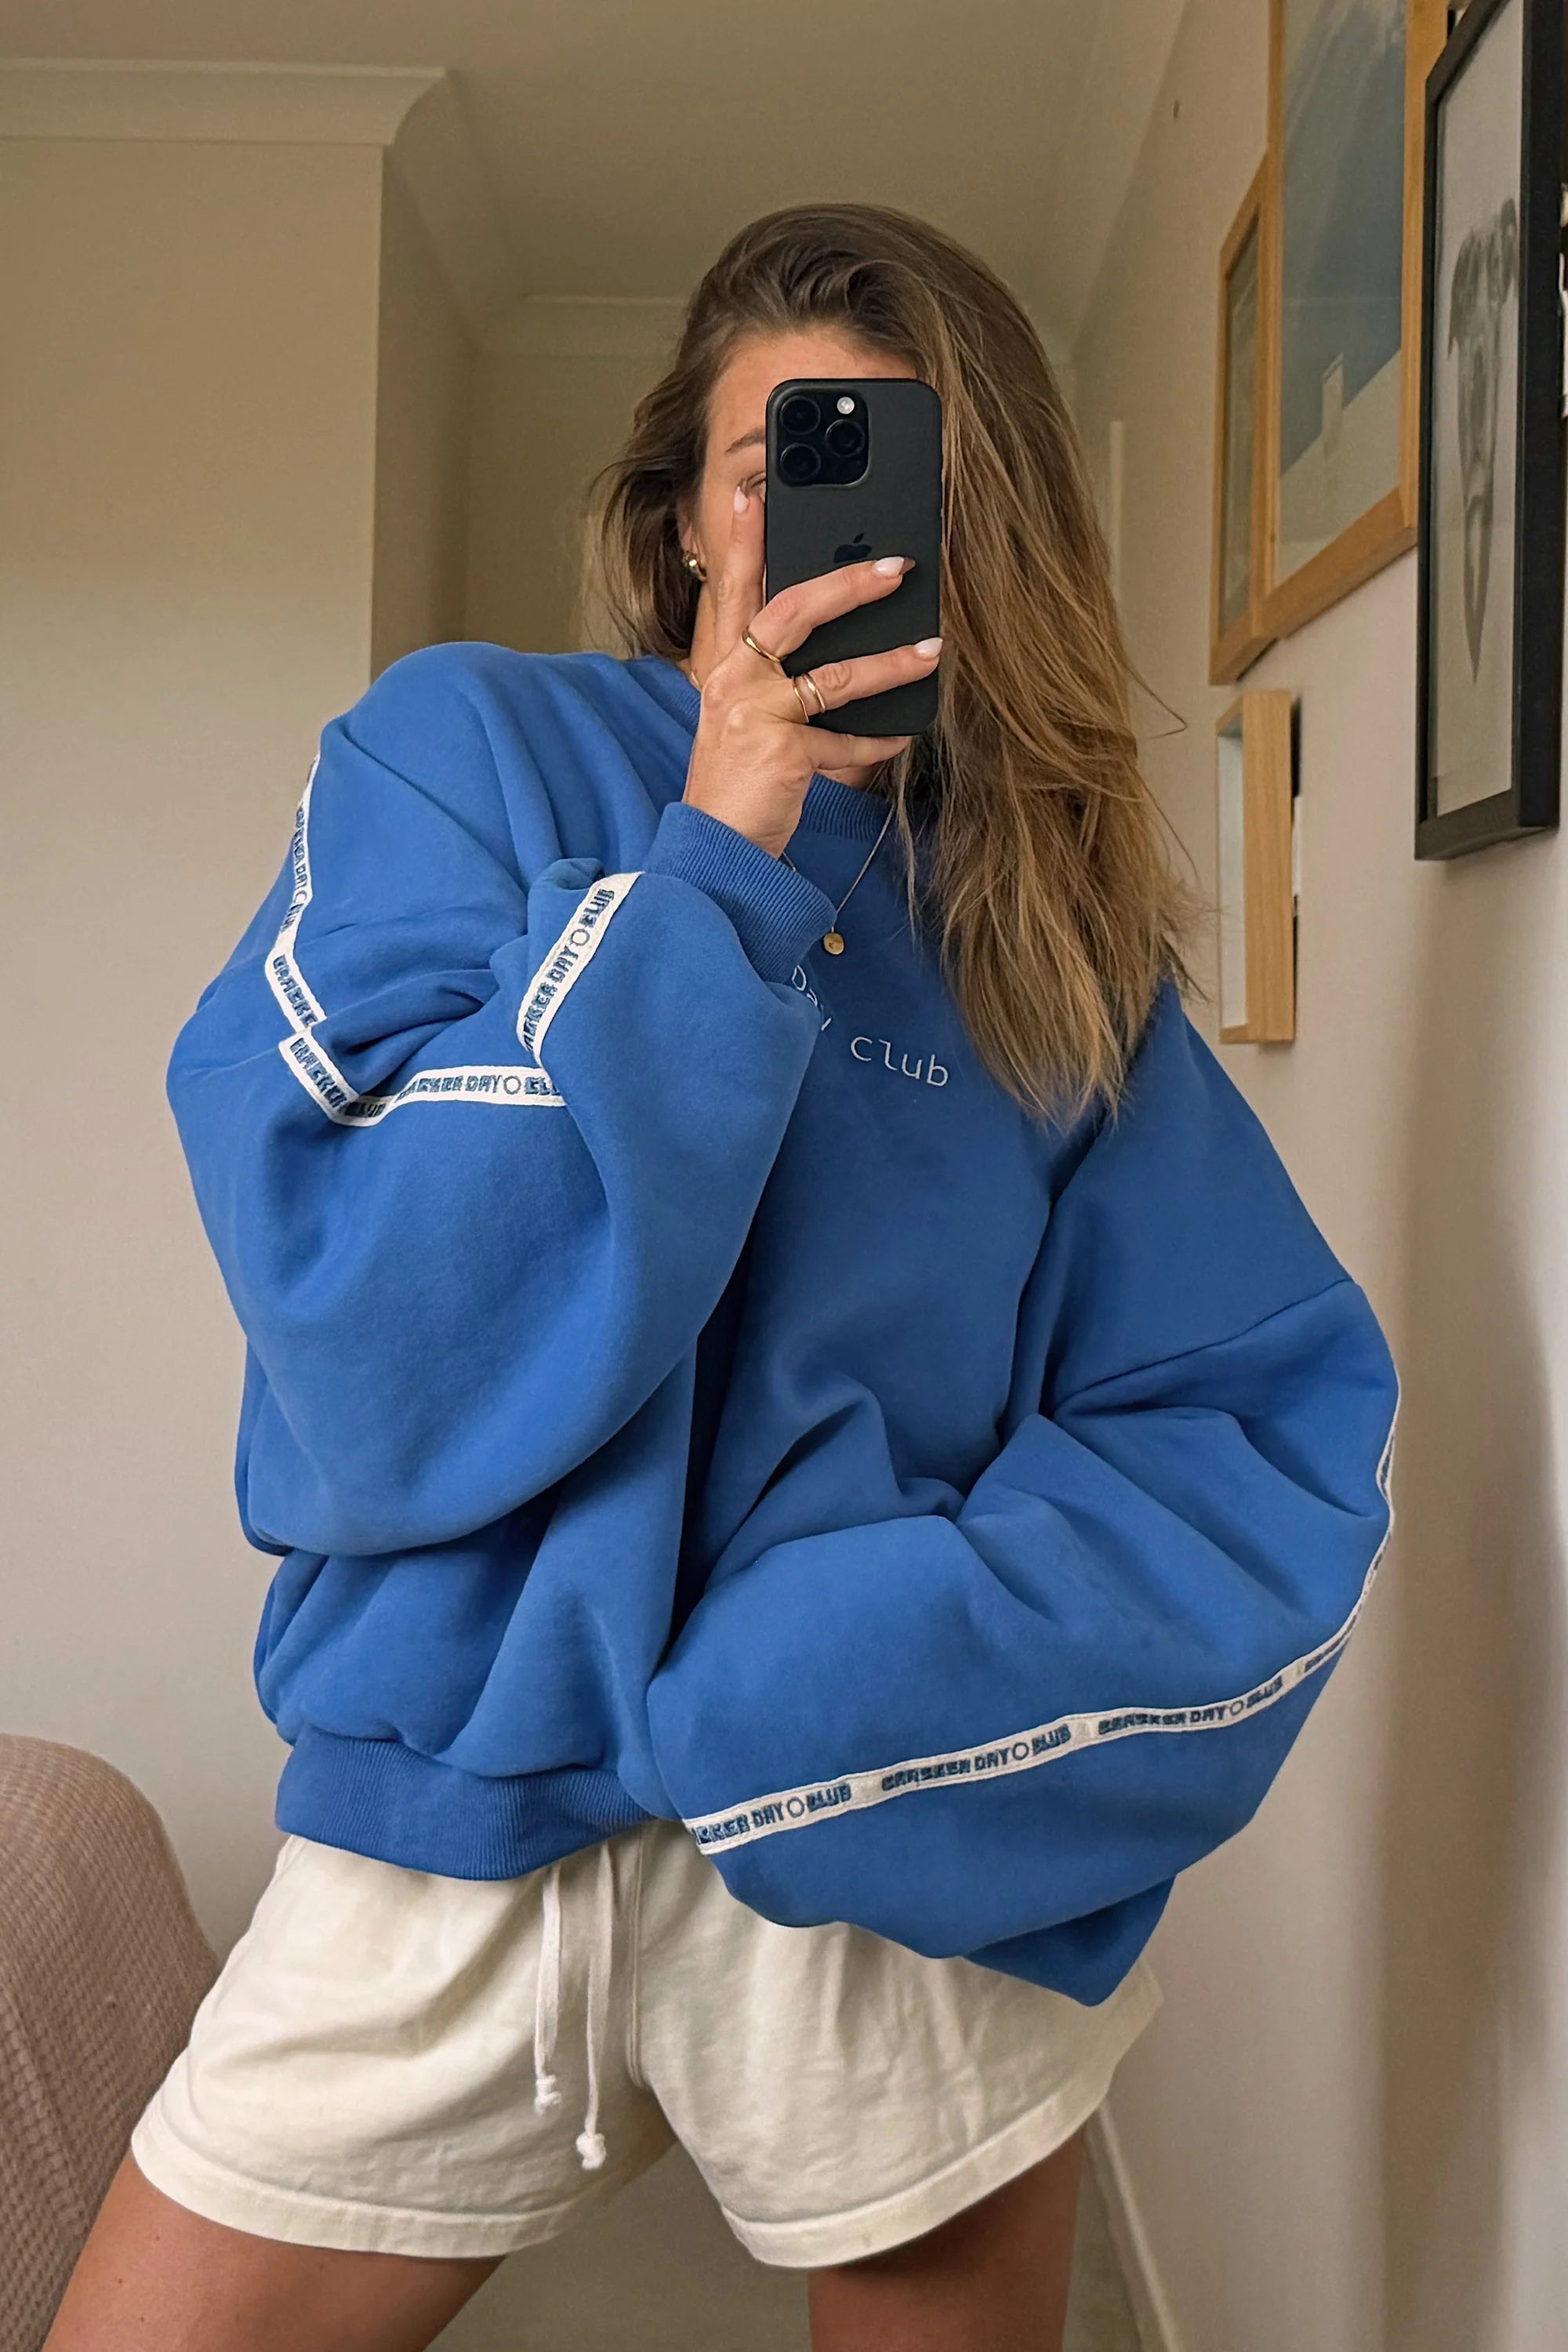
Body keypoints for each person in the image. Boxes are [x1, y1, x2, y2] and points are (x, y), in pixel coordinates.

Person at [45, 203, 1397, 2352]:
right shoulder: (463, 753)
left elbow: (1248, 1407)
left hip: (872, 1837)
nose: (813, 521)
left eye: (890, 472)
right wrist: (719, 849)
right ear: (682, 510)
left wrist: (833, 1675)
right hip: (453, 1812)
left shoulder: (1037, 927)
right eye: (774, 464)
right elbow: (369, 1305)